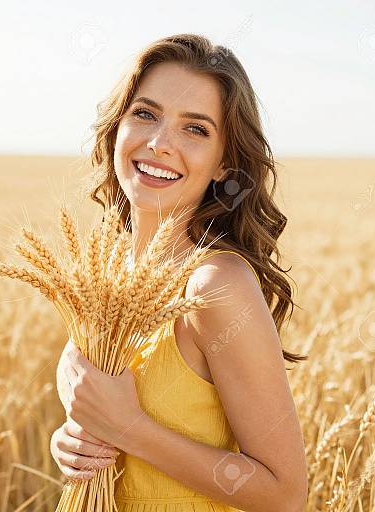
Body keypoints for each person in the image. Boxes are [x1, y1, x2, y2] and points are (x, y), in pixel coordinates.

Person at [51, 33, 308, 511]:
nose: (159, 143)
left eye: (196, 129)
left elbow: (284, 494)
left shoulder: (214, 285)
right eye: (145, 113)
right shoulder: (104, 275)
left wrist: (130, 429)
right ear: (117, 127)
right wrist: (71, 444)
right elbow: (98, 411)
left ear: (224, 163)